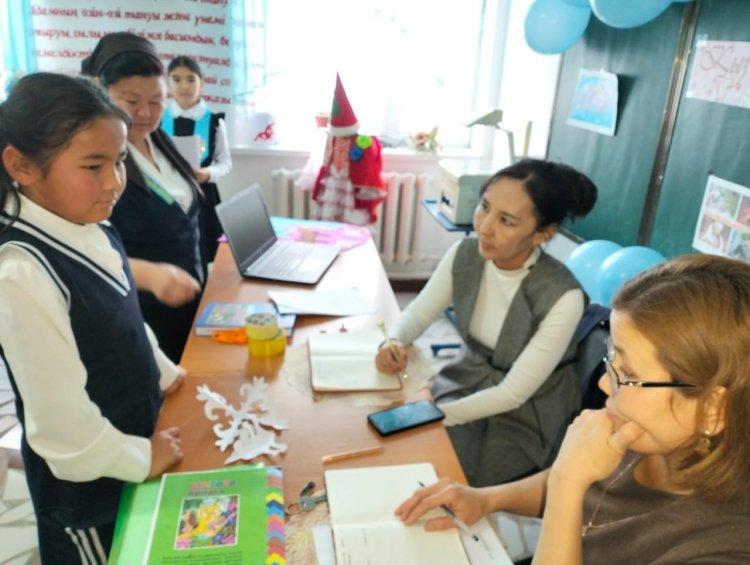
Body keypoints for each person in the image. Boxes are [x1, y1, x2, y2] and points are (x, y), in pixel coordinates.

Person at [396, 255, 750, 563]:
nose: (604, 384)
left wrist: (567, 483)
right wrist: (486, 500)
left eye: (628, 375)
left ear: (713, 410)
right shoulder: (650, 435)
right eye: (612, 360)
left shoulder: (725, 548)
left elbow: (571, 481)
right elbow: (582, 478)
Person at [0, 73, 184, 563]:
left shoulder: (91, 224)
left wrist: (166, 373)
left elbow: (124, 320)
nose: (114, 182)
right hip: (89, 496)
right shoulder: (20, 273)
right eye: (93, 165)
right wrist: (142, 458)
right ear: (21, 165)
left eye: (119, 160)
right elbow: (64, 431)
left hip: (131, 443)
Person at [376, 159, 597, 486]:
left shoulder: (564, 296)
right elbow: (418, 314)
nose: (485, 227)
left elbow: (513, 394)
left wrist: (432, 415)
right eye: (485, 207)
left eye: (506, 221)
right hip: (469, 377)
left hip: (529, 409)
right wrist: (393, 340)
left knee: (447, 476)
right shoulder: (465, 255)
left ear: (543, 233)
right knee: (402, 454)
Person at [81, 32, 203, 363]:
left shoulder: (158, 138)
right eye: (131, 101)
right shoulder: (96, 163)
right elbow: (83, 250)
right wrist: (150, 275)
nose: (145, 113)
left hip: (186, 305)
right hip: (141, 314)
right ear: (101, 92)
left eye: (157, 101)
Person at [163, 55, 232, 267]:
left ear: (201, 83)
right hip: (167, 195)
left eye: (191, 79)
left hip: (203, 196)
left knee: (201, 253)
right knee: (169, 252)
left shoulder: (214, 121)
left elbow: (225, 162)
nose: (184, 86)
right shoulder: (158, 118)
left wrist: (208, 173)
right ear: (167, 83)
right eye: (176, 79)